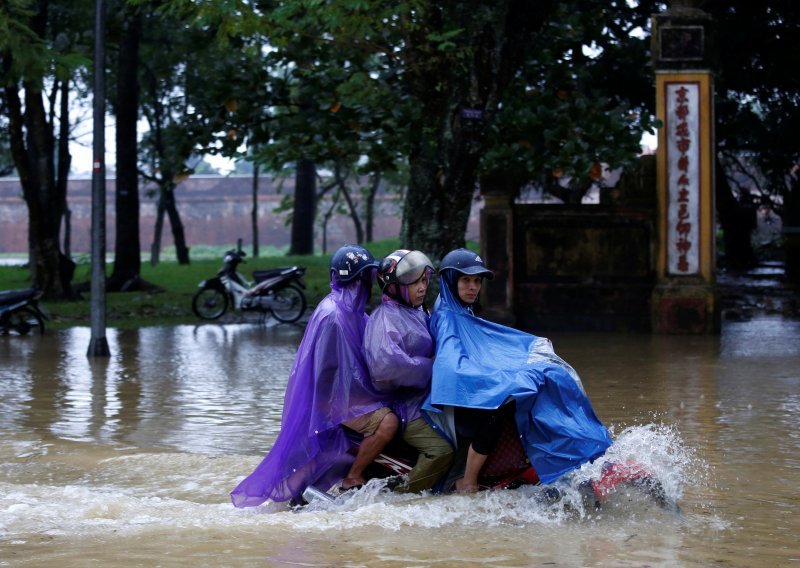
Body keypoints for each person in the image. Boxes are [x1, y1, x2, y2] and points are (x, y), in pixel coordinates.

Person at [424, 248, 613, 493]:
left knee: (551, 377)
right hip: (459, 400)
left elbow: (482, 349)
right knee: (499, 412)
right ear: (450, 281)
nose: (473, 287)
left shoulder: (460, 309)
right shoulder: (448, 318)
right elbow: (454, 370)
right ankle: (468, 481)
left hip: (470, 390)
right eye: (465, 280)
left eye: (477, 281)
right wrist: (501, 381)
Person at [230, 244, 398, 507]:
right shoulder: (333, 315)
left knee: (328, 452)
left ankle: (303, 493)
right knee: (387, 422)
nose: (367, 284)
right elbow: (329, 373)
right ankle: (353, 478)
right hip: (332, 400)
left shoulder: (350, 311)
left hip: (343, 395)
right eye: (364, 277)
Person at [363, 249, 454, 493]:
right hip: (405, 406)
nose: (422, 287)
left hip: (429, 397)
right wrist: (430, 365)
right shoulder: (385, 320)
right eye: (414, 282)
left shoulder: (419, 311)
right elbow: (386, 367)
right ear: (394, 288)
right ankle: (404, 496)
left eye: (424, 280)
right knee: (441, 451)